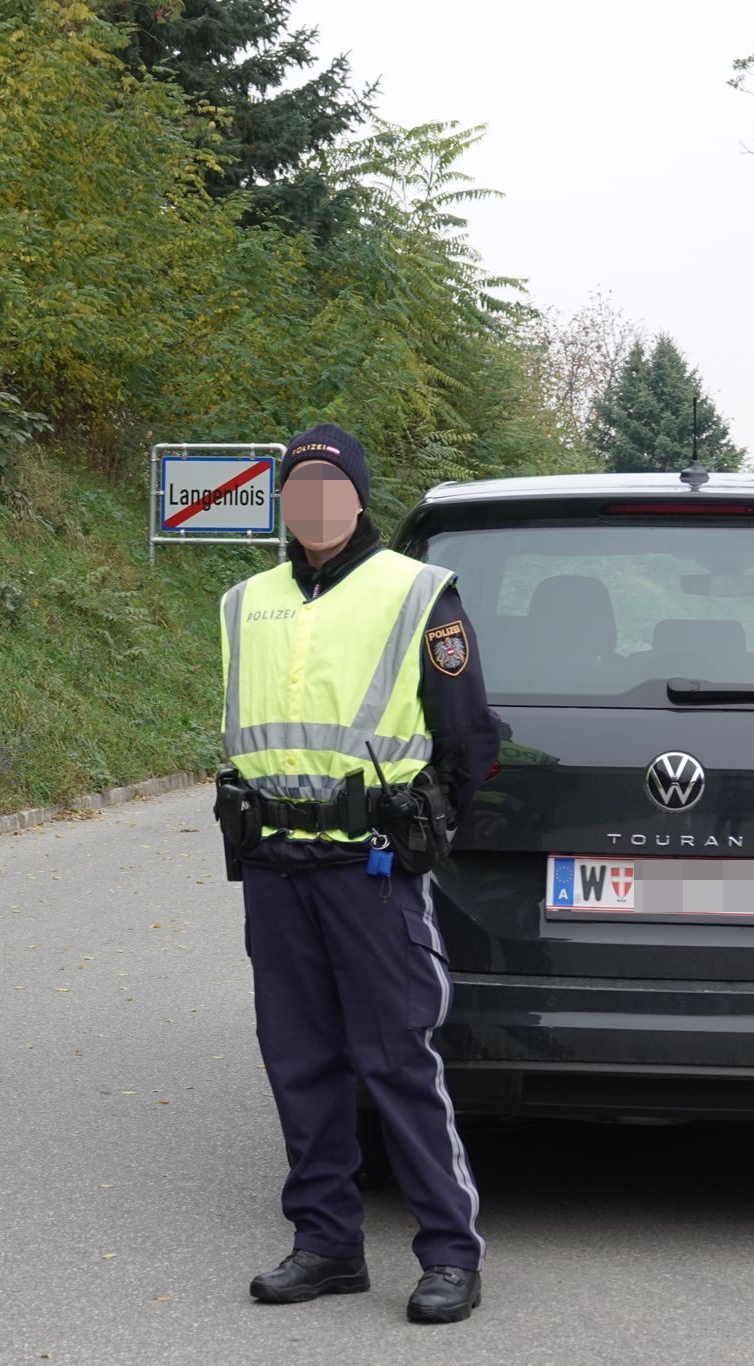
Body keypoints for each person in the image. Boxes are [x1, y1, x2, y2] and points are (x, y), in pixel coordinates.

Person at [214, 423, 499, 1324]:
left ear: (359, 497)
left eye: (330, 489)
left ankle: (450, 1253)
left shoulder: (418, 594)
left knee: (395, 1059)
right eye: (299, 489)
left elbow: (468, 740)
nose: (314, 506)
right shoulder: (244, 601)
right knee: (299, 1061)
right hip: (274, 866)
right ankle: (327, 1243)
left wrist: (427, 831)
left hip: (370, 868)